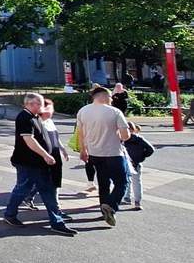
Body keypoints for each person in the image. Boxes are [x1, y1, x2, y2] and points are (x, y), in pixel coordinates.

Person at [3, 93, 76, 235]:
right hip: (28, 162)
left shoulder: (35, 117)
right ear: (30, 104)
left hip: (38, 162)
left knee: (45, 189)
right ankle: (10, 214)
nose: (42, 107)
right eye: (40, 104)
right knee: (24, 189)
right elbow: (29, 140)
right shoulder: (25, 117)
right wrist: (46, 155)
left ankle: (56, 221)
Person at [76, 85, 131, 227]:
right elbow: (125, 136)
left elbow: (80, 134)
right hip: (113, 153)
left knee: (103, 183)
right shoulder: (115, 112)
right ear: (104, 96)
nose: (111, 99)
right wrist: (120, 134)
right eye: (110, 96)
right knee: (122, 182)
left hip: (94, 153)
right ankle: (110, 205)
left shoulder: (83, 111)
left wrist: (83, 150)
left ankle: (104, 211)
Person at [24, 98, 71, 219]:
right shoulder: (36, 123)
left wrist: (63, 149)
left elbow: (56, 137)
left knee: (51, 183)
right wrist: (44, 155)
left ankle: (29, 196)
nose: (52, 111)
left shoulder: (49, 121)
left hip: (54, 158)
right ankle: (56, 212)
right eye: (49, 108)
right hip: (44, 158)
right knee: (48, 184)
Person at [122, 121, 154, 210]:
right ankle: (137, 201)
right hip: (136, 163)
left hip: (125, 163)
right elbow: (150, 149)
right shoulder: (139, 139)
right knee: (136, 182)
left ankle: (127, 197)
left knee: (126, 180)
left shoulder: (122, 139)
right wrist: (141, 156)